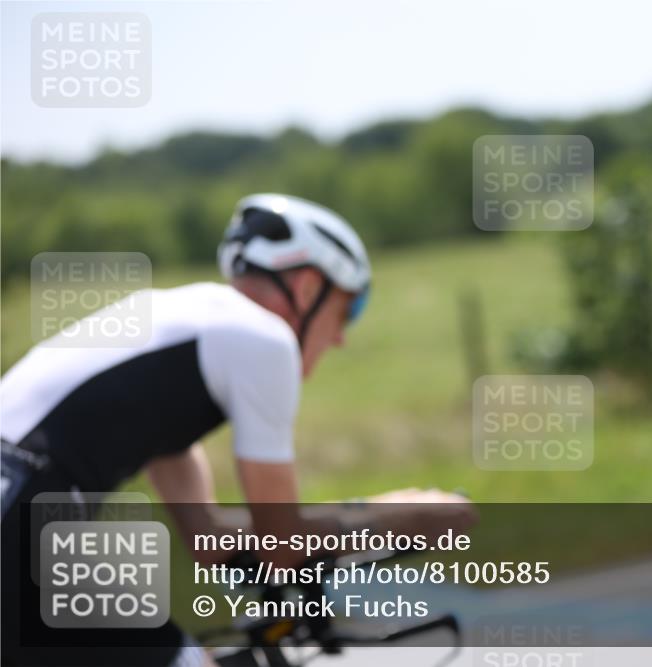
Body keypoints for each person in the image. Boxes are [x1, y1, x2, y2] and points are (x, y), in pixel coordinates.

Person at [0, 193, 475, 666]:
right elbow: (283, 543)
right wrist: (399, 516)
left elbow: (209, 539)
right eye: (346, 311)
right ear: (308, 289)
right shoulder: (263, 338)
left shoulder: (178, 333)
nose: (340, 337)